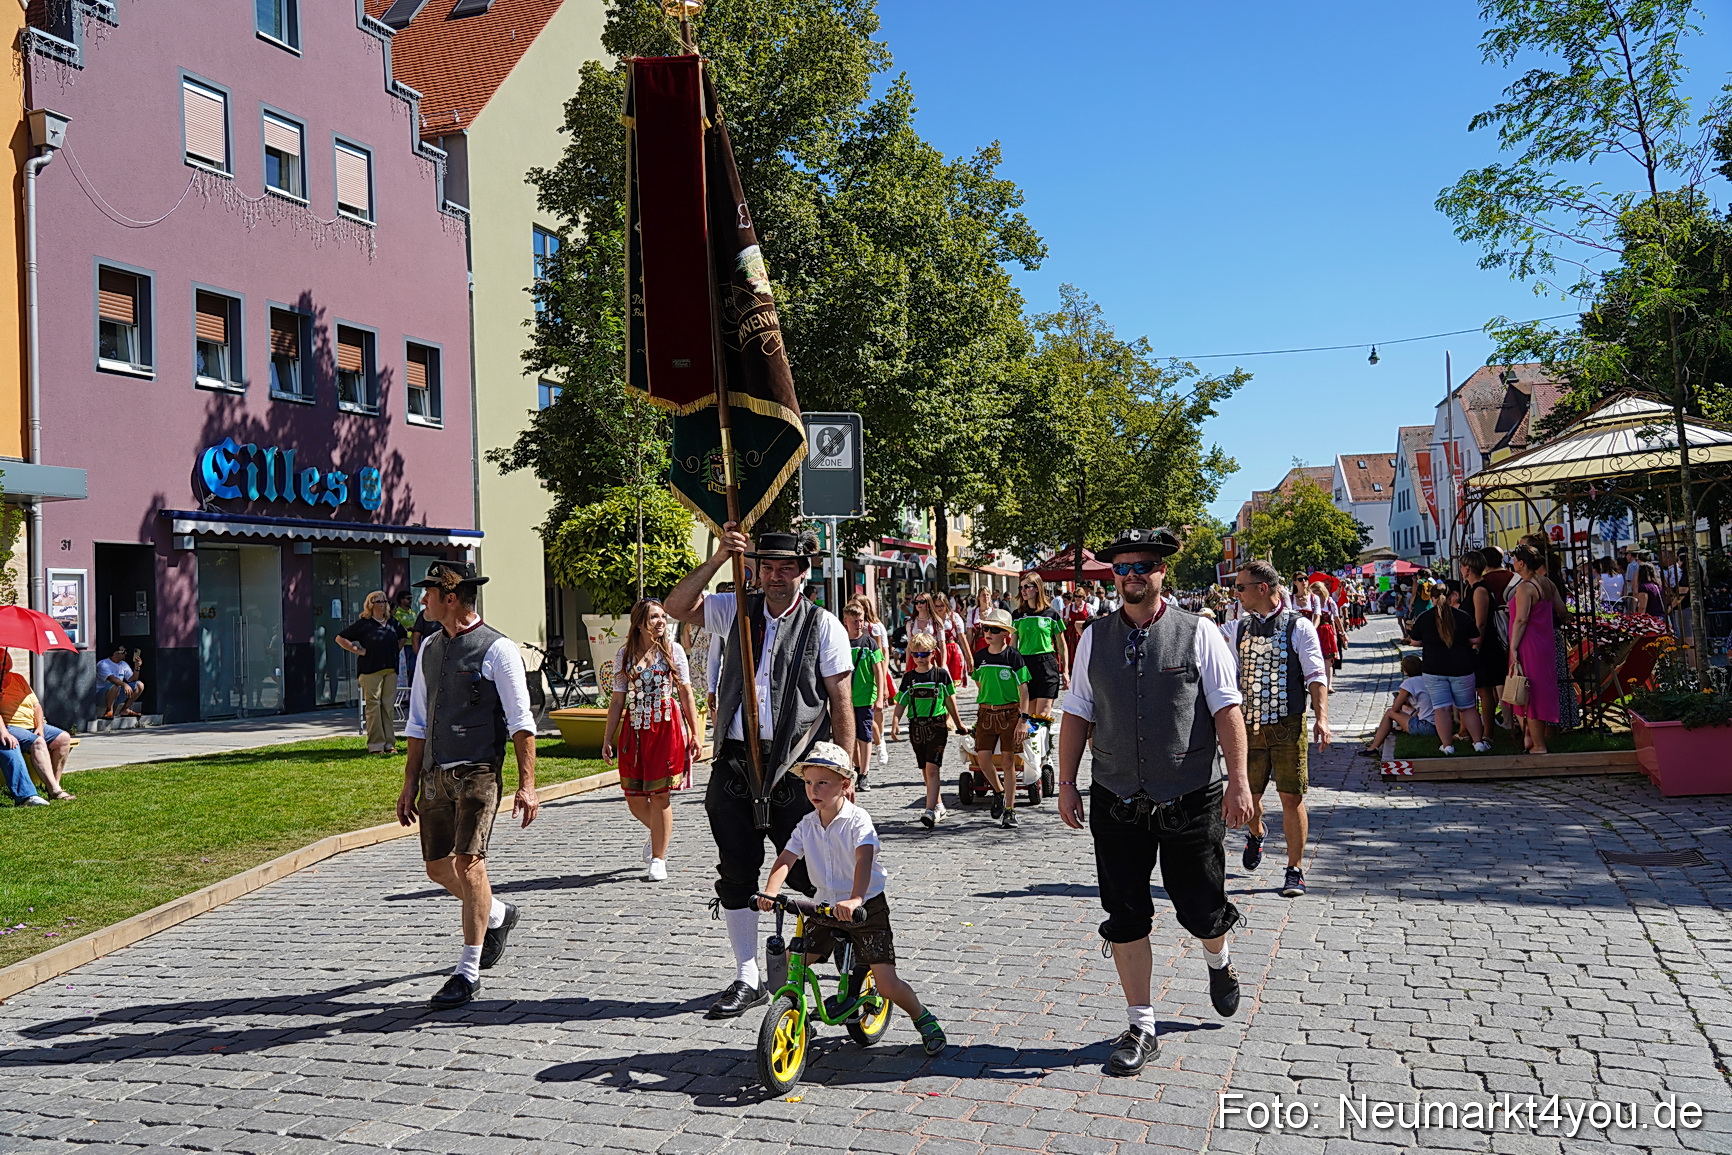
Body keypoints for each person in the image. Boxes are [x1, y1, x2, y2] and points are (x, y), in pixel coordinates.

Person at [1058, 527, 1251, 1078]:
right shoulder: (1093, 637)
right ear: (1112, 575)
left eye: (1144, 565)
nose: (1133, 575)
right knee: (1125, 914)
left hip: (1188, 794)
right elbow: (1077, 709)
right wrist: (1066, 781)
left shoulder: (1199, 633)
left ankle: (1219, 959)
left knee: (1200, 909)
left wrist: (1237, 780)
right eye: (1122, 567)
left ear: (1162, 572)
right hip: (1116, 795)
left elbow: (1226, 710)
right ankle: (1142, 1025)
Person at [664, 526, 854, 1020]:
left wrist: (844, 776)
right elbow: (677, 607)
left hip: (798, 766)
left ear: (804, 573)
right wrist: (719, 559)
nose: (774, 577)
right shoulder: (734, 609)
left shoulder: (825, 626)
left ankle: (848, 957)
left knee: (822, 875)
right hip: (735, 760)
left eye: (785, 568)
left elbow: (841, 701)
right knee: (736, 870)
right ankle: (747, 975)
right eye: (766, 567)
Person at [396, 561, 539, 1009]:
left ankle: (468, 972)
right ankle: (497, 913)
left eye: (429, 593)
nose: (423, 600)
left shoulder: (498, 649)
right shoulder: (429, 649)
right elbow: (418, 721)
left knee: (469, 865)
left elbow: (521, 722)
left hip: (478, 770)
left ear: (450, 597)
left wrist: (527, 784)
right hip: (435, 773)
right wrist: (409, 783)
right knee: (438, 868)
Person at [755, 741, 947, 1056]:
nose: (813, 790)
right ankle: (799, 1017)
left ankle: (923, 1018)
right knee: (793, 963)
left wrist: (856, 899)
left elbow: (864, 859)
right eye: (808, 783)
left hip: (864, 908)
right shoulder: (807, 825)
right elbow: (786, 858)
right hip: (825, 906)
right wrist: (771, 890)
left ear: (845, 785)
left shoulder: (858, 820)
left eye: (822, 783)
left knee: (886, 984)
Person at [1222, 560, 1330, 900]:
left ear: (1262, 588)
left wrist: (1322, 719)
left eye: (1241, 587)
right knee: (1248, 799)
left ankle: (1294, 869)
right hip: (1249, 725)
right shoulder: (1239, 628)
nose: (1236, 593)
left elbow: (1315, 675)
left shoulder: (1299, 626)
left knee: (1291, 796)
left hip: (1288, 724)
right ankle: (1256, 833)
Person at [602, 598, 700, 883]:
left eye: (663, 617)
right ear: (640, 623)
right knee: (634, 799)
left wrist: (694, 732)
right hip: (634, 729)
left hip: (665, 726)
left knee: (660, 795)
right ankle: (660, 832)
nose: (661, 622)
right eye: (655, 617)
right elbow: (617, 699)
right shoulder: (625, 654)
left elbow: (686, 694)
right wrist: (608, 737)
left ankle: (659, 857)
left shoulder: (673, 650)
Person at [890, 631, 965, 828]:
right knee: (925, 769)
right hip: (916, 727)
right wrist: (895, 721)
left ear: (934, 653)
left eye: (924, 654)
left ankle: (929, 810)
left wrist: (958, 724)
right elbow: (901, 702)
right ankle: (939, 804)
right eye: (915, 654)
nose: (920, 659)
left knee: (932, 769)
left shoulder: (941, 675)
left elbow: (950, 701)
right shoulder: (909, 678)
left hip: (937, 725)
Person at [1409, 580, 1488, 755]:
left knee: (1441, 708)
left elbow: (1415, 641)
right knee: (1467, 707)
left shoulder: (1425, 617)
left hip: (1434, 668)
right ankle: (1478, 743)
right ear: (1451, 596)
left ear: (1432, 598)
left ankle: (1447, 746)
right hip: (1462, 667)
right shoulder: (1462, 616)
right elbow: (1476, 639)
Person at [969, 608, 1031, 829]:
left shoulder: (1013, 657)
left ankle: (1010, 810)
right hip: (986, 713)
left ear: (1005, 633)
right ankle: (999, 791)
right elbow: (979, 681)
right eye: (986, 628)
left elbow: (1024, 690)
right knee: (983, 758)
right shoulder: (980, 657)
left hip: (1009, 714)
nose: (988, 633)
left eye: (994, 629)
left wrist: (1023, 720)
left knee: (1008, 762)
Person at [337, 590, 408, 755]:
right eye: (377, 601)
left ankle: (389, 744)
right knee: (373, 707)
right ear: (370, 604)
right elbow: (341, 638)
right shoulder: (364, 624)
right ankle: (376, 745)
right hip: (370, 670)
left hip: (390, 669)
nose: (382, 604)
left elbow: (403, 635)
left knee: (388, 707)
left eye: (383, 601)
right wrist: (358, 650)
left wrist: (396, 649)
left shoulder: (392, 622)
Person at [1011, 574, 1068, 778]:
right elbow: (1013, 644)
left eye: (1027, 587)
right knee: (1027, 716)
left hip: (1046, 664)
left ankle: (1044, 758)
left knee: (1041, 716)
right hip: (1024, 664)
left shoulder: (1051, 614)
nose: (1023, 591)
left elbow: (1061, 643)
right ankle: (1030, 759)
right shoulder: (1017, 615)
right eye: (1021, 588)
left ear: (1037, 588)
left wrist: (1066, 671)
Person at [1507, 544, 1561, 755]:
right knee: (1535, 690)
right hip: (1545, 643)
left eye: (1514, 560)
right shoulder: (1547, 584)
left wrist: (1513, 646)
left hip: (1527, 644)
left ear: (1521, 563)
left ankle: (1538, 744)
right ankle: (1530, 735)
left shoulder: (1525, 587)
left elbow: (1521, 619)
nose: (1512, 563)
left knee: (1527, 692)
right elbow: (1562, 610)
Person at [1, 652, 73, 801]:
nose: (6, 664)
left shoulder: (18, 678)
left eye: (6, 660)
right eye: (3, 662)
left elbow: (36, 706)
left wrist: (39, 727)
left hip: (32, 725)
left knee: (64, 739)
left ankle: (53, 784)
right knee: (38, 742)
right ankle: (55, 790)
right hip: (11, 727)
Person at [842, 605, 884, 790]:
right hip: (846, 698)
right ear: (846, 622)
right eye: (855, 622)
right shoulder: (841, 642)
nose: (859, 625)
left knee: (864, 735)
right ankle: (857, 768)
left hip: (865, 697)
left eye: (861, 621)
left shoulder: (869, 643)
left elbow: (879, 670)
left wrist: (880, 696)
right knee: (851, 736)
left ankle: (865, 773)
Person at [1359, 655, 1437, 754]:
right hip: (1439, 726)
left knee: (1389, 712)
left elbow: (1395, 708)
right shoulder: (1428, 680)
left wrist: (1399, 699)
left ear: (1405, 670)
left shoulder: (1409, 683)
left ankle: (1374, 747)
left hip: (1426, 727)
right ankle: (1397, 730)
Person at [850, 595, 893, 767]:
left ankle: (879, 741)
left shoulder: (874, 628)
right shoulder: (848, 629)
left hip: (872, 674)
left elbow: (882, 654)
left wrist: (881, 682)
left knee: (873, 716)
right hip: (855, 679)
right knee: (858, 723)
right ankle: (860, 761)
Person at [96, 643, 145, 720]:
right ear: (116, 653)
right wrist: (124, 685)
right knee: (114, 685)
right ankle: (109, 711)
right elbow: (111, 678)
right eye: (123, 651)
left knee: (139, 685)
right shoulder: (103, 664)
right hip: (103, 696)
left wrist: (137, 667)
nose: (126, 653)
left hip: (117, 694)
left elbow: (132, 679)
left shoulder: (123, 664)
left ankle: (125, 709)